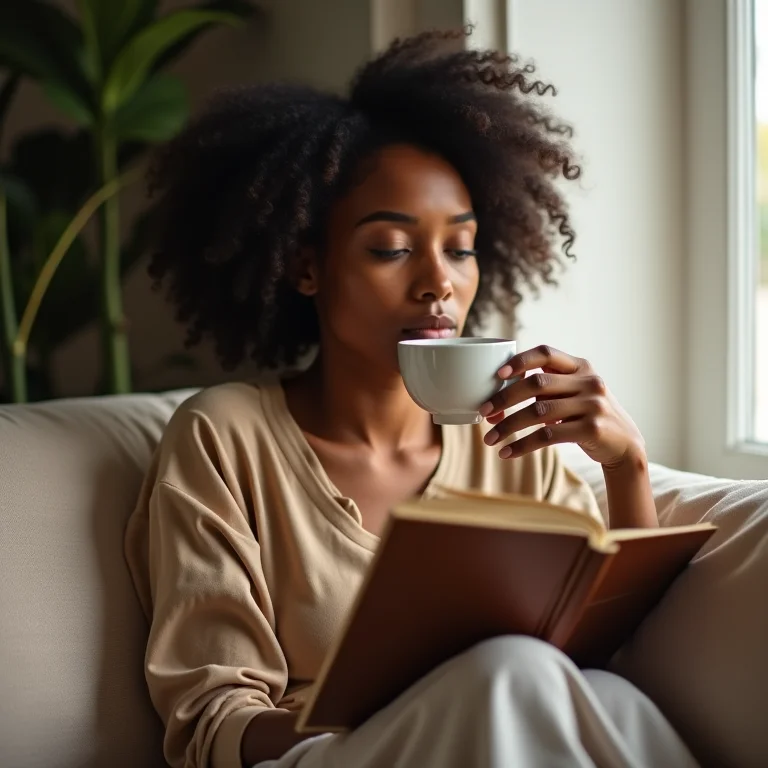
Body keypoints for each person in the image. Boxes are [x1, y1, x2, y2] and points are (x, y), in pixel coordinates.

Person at [125, 28, 697, 768]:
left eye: (460, 248)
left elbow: (600, 664)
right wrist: (428, 707)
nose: (440, 282)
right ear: (307, 268)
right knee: (505, 674)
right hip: (324, 754)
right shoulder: (224, 438)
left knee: (608, 699)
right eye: (392, 248)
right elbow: (212, 723)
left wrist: (626, 466)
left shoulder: (510, 442)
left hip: (498, 735)